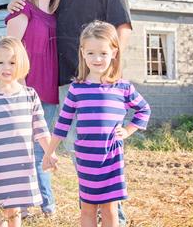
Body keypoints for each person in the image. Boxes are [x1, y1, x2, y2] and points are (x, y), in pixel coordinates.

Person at [8, 0, 132, 225]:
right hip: (65, 82)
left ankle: (116, 214)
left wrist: (110, 71)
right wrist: (16, 5)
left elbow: (123, 28)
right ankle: (88, 210)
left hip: (98, 82)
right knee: (79, 150)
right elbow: (39, 10)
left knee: (102, 147)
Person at [44, 21, 150, 227]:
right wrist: (50, 152)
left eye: (103, 53)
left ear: (114, 52)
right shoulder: (77, 89)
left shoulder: (123, 87)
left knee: (110, 209)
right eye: (91, 53)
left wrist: (128, 131)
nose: (97, 58)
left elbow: (144, 109)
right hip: (86, 157)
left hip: (111, 156)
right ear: (82, 53)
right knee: (88, 208)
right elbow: (63, 122)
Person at [0, 37, 59, 227]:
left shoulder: (30, 95)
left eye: (12, 62)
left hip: (22, 163)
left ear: (21, 64)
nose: (6, 67)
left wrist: (49, 152)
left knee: (15, 210)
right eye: (1, 62)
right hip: (0, 165)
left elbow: (40, 129)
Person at [4, 0, 62, 216]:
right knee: (23, 149)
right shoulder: (23, 9)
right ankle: (37, 204)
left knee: (41, 149)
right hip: (25, 91)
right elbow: (10, 51)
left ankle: (40, 203)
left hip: (48, 92)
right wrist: (20, 90)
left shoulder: (58, 15)